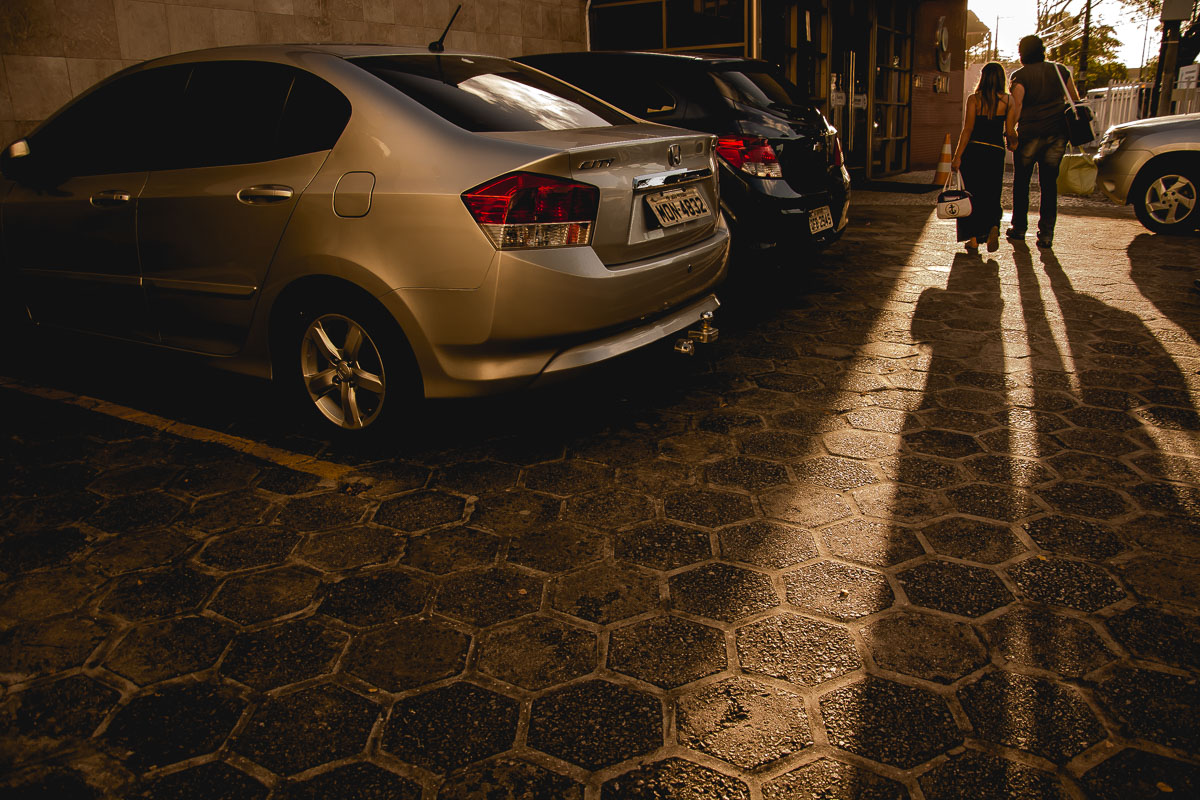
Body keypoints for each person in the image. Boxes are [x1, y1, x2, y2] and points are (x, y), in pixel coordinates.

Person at [1006, 34, 1081, 249]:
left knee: (1022, 182)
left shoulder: (1020, 75)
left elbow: (1017, 105)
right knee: (1049, 185)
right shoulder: (1060, 70)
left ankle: (1019, 228)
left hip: (1029, 133)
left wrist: (1010, 131)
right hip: (1057, 135)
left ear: (1022, 53)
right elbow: (1074, 99)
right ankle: (1046, 234)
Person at [951, 62, 1009, 253]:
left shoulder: (974, 100)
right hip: (996, 151)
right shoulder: (1008, 101)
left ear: (983, 77)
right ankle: (993, 226)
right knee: (992, 194)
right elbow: (1010, 131)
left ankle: (974, 239)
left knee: (972, 195)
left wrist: (957, 156)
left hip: (975, 151)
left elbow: (967, 130)